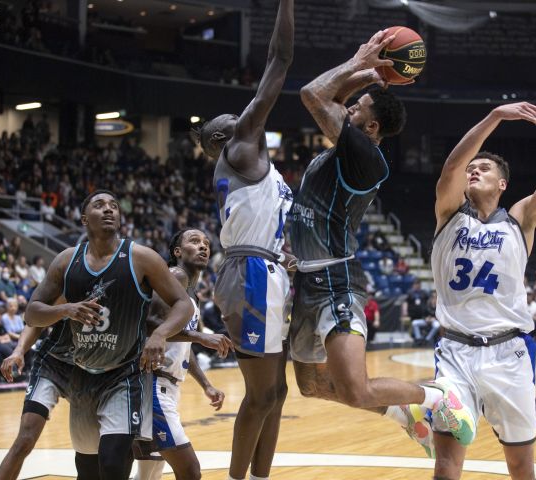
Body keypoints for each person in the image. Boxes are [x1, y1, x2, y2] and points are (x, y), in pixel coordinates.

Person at [288, 29, 473, 461]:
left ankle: (436, 397)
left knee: (355, 390)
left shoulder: (366, 157)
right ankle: (404, 414)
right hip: (309, 280)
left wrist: (358, 62)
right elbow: (331, 101)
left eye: (357, 108)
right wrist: (371, 77)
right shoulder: (345, 147)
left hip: (336, 281)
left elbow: (314, 95)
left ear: (370, 127)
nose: (348, 107)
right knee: (312, 386)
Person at [427, 50, 536, 479]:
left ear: (502, 184)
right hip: (455, 351)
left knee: (520, 467)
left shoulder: (521, 218)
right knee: (446, 463)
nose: (472, 171)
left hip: (510, 352)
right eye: (471, 168)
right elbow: (450, 168)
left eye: (483, 168)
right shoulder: (449, 213)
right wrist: (495, 115)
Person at [24, 190, 195, 480]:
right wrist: (65, 310)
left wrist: (161, 334)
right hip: (83, 376)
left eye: (114, 206)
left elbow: (183, 305)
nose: (108, 210)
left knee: (113, 462)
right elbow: (32, 312)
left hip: (124, 375)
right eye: (99, 205)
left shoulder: (142, 257)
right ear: (83, 219)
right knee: (88, 471)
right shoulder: (66, 261)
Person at [198, 0, 294, 478]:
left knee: (278, 393)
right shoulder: (238, 150)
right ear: (221, 139)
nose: (244, 118)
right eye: (233, 120)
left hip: (266, 269)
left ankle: (259, 476)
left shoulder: (254, 165)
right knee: (261, 394)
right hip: (250, 274)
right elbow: (279, 60)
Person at [134, 228, 232, 480]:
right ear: (178, 252)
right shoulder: (175, 277)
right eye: (194, 241)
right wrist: (201, 336)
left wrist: (207, 385)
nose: (203, 247)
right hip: (153, 383)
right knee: (190, 471)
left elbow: (182, 348)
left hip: (167, 384)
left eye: (206, 243)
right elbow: (153, 327)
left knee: (148, 474)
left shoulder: (193, 294)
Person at [0, 323, 74, 480]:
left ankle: (139, 473)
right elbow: (35, 318)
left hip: (90, 369)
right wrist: (19, 350)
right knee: (25, 439)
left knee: (98, 445)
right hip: (51, 364)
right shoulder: (63, 297)